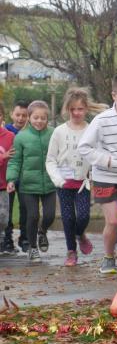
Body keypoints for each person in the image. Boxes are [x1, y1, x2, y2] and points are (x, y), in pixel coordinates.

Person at [78, 74, 117, 275]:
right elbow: (84, 147)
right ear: (114, 95)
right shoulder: (102, 120)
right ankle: (108, 257)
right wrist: (108, 161)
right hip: (104, 176)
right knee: (113, 221)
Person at [46, 88, 105, 266]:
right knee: (68, 217)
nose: (77, 113)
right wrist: (58, 179)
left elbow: (97, 155)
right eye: (73, 109)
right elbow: (50, 160)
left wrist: (95, 174)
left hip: (83, 184)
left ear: (86, 109)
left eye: (80, 109)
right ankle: (71, 251)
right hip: (64, 184)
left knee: (83, 217)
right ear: (67, 109)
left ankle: (80, 234)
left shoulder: (91, 130)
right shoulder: (59, 131)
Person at [6, 101, 56, 261]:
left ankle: (42, 232)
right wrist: (11, 179)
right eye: (35, 117)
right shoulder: (21, 137)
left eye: (43, 118)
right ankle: (33, 248)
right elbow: (15, 161)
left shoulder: (54, 134)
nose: (39, 121)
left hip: (49, 183)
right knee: (32, 216)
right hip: (27, 184)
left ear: (47, 118)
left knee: (49, 215)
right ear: (30, 117)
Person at [3, 100, 29, 253]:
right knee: (8, 209)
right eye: (18, 115)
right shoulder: (6, 131)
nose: (20, 118)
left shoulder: (32, 131)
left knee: (25, 209)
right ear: (12, 114)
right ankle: (7, 239)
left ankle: (25, 238)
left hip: (26, 177)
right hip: (9, 176)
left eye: (24, 115)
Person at [0, 103, 15, 254]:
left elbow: (14, 159)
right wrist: (2, 157)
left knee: (4, 217)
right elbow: (5, 156)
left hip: (3, 184)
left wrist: (13, 178)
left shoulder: (10, 136)